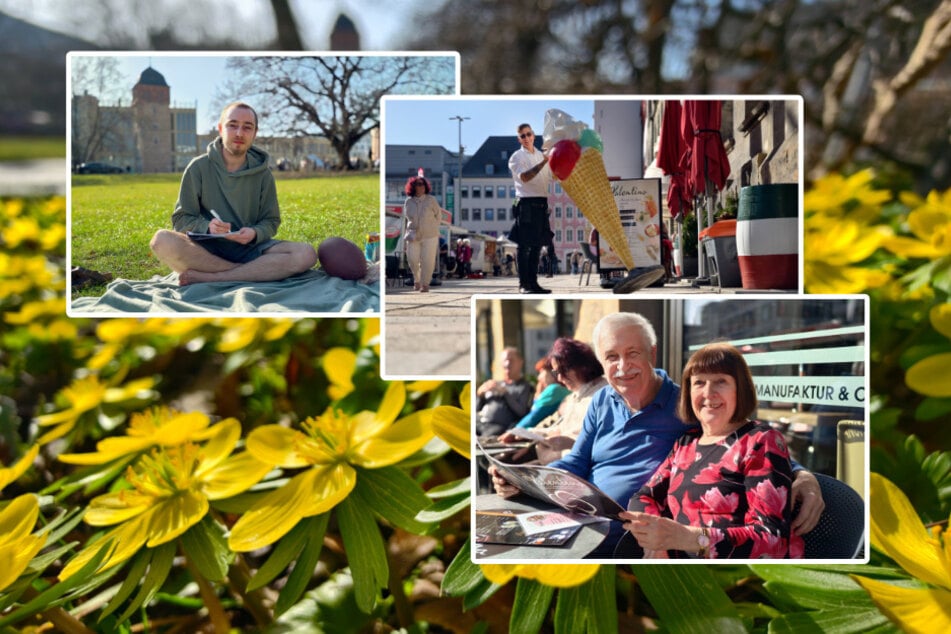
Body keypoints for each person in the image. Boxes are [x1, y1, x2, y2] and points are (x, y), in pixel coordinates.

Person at [489, 312, 825, 557]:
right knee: (497, 543)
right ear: (602, 364)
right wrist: (525, 480)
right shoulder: (603, 401)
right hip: (578, 521)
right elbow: (577, 461)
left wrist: (803, 475)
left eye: (633, 354)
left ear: (652, 353)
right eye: (612, 357)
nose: (623, 367)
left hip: (622, 542)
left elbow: (748, 442)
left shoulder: (687, 406)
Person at [620, 343, 805, 559]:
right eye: (699, 382)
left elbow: (772, 540)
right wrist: (657, 542)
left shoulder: (760, 441)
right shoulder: (687, 442)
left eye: (721, 382)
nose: (708, 393)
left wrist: (690, 539)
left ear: (740, 389)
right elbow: (643, 497)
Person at [150, 102, 318, 286]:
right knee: (162, 241)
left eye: (247, 127)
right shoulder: (198, 168)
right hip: (205, 250)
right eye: (232, 125)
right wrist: (208, 227)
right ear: (221, 129)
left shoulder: (263, 174)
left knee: (306, 254)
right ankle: (252, 272)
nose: (239, 133)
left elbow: (271, 221)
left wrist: (255, 233)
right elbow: (181, 219)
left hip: (250, 249)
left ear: (255, 133)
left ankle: (217, 277)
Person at [500, 337, 607, 464]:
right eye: (556, 373)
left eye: (563, 371)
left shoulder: (601, 394)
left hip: (569, 463)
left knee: (504, 467)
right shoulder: (575, 395)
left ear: (582, 365)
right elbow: (558, 429)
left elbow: (584, 442)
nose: (560, 378)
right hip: (555, 457)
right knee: (501, 466)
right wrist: (523, 433)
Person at [508, 123, 553, 294]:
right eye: (522, 136)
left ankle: (533, 284)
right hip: (526, 203)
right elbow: (525, 177)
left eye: (528, 134)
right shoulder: (517, 157)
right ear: (519, 139)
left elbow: (552, 176)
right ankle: (523, 284)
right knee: (524, 247)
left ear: (533, 135)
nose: (526, 138)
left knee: (537, 247)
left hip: (541, 203)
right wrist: (544, 162)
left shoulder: (541, 155)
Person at [475, 346, 534, 438]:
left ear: (520, 362)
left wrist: (505, 393)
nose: (507, 364)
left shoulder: (525, 387)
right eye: (504, 361)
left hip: (499, 428)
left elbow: (522, 412)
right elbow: (476, 408)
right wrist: (480, 395)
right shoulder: (494, 384)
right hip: (480, 423)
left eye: (511, 360)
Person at [402, 175, 441, 293]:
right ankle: (417, 278)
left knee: (428, 260)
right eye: (418, 184)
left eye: (422, 184)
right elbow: (406, 218)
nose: (421, 186)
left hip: (430, 235)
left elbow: (438, 215)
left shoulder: (431, 200)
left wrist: (433, 227)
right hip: (413, 235)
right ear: (413, 186)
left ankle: (425, 283)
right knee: (412, 259)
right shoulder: (408, 201)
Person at [513, 356, 570, 430]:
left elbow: (533, 417)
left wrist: (513, 431)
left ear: (552, 372)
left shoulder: (554, 389)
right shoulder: (562, 389)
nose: (538, 377)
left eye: (541, 372)